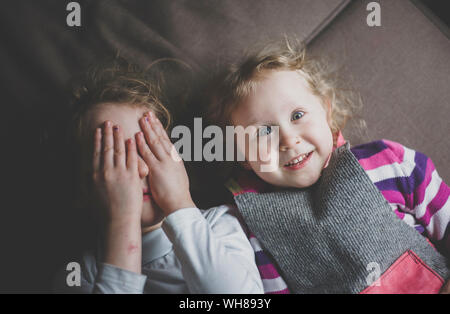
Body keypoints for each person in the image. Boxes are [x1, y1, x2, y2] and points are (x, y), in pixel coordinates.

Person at [206, 40, 450, 294]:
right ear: (242, 155)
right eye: (265, 131)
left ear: (326, 110)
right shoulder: (255, 237)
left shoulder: (389, 163)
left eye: (297, 115)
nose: (289, 139)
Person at [54, 58, 263, 294]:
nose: (141, 170)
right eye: (115, 159)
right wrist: (123, 222)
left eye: (150, 149)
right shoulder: (80, 276)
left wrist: (179, 203)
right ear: (81, 188)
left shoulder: (218, 224)